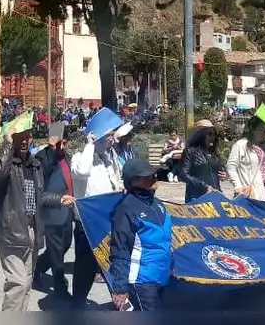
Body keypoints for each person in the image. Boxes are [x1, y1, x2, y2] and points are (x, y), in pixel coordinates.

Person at [0, 117, 74, 311]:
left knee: (26, 284)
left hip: (32, 230)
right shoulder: (3, 162)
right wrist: (7, 143)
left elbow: (39, 196)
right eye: (19, 137)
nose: (25, 140)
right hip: (11, 230)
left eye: (28, 136)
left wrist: (58, 199)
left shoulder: (34, 165)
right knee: (17, 284)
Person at [69, 110, 124, 310]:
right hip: (87, 225)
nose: (113, 140)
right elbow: (82, 172)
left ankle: (120, 304)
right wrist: (89, 144)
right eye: (110, 135)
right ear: (98, 136)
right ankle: (77, 305)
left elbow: (116, 183)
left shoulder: (110, 159)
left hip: (109, 222)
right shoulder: (79, 158)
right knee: (85, 269)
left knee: (112, 265)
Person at [109, 158, 173, 312]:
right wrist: (120, 288)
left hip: (162, 277)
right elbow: (120, 250)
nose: (153, 178)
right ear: (134, 181)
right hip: (141, 282)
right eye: (148, 176)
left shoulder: (157, 204)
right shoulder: (126, 209)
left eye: (153, 174)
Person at [33, 128, 76, 299]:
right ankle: (60, 288)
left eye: (64, 143)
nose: (62, 146)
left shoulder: (66, 157)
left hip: (67, 210)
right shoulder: (43, 157)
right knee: (57, 251)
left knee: (64, 245)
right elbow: (43, 175)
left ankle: (35, 270)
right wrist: (51, 150)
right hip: (52, 210)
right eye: (59, 143)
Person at [225, 116, 265, 202]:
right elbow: (231, 166)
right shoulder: (241, 145)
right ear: (252, 129)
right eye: (261, 130)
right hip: (251, 193)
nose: (264, 133)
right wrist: (238, 186)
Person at [179, 123, 224, 202]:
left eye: (214, 134)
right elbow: (183, 174)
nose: (212, 137)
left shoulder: (214, 153)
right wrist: (204, 186)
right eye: (209, 134)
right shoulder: (190, 151)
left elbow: (218, 170)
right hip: (197, 196)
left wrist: (223, 174)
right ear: (201, 135)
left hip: (215, 194)